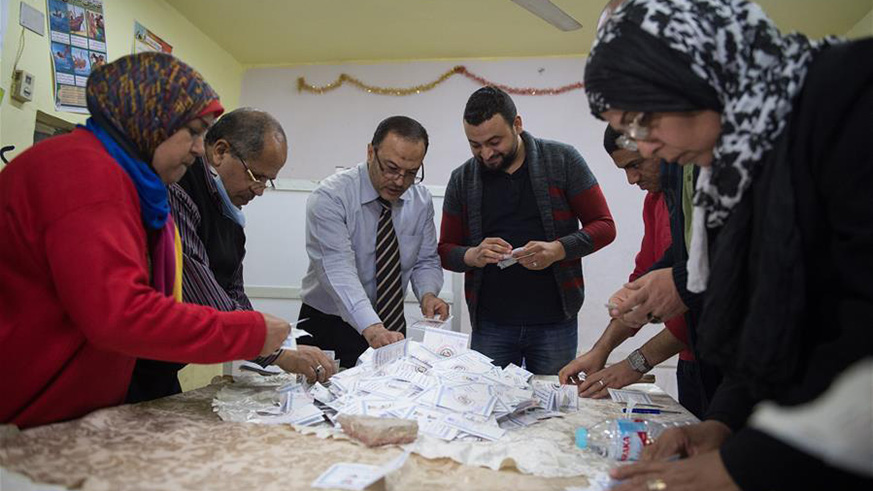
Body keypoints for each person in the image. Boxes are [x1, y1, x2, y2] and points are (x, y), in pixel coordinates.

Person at [584, 0, 873, 489]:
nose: (646, 146)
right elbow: (766, 323)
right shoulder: (731, 167)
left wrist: (747, 462)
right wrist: (721, 426)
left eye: (641, 119)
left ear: (693, 73)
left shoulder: (849, 96)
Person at [0, 53, 290, 429]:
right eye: (193, 131)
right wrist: (249, 333)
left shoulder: (134, 186)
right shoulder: (84, 172)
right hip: (24, 405)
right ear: (152, 119)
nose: (200, 149)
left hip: (69, 405)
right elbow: (120, 313)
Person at [126, 108, 336, 403]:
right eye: (257, 176)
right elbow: (200, 289)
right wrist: (277, 351)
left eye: (268, 181)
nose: (260, 190)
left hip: (163, 366)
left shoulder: (231, 216)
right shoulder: (179, 188)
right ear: (220, 151)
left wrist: (282, 342)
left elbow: (234, 294)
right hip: (128, 365)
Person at [439, 86, 616, 375]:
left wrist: (558, 250)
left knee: (553, 408)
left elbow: (605, 227)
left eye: (495, 141)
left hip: (555, 321)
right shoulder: (461, 179)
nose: (486, 153)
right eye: (475, 145)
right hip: (491, 324)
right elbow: (446, 251)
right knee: (488, 408)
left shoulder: (563, 160)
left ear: (517, 125)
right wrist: (473, 254)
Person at [560, 126, 707, 417]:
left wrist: (635, 363)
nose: (631, 179)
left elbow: (696, 293)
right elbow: (642, 284)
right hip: (691, 360)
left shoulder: (701, 193)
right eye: (624, 169)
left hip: (720, 347)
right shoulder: (656, 201)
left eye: (635, 165)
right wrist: (600, 350)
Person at [298, 116, 448, 368]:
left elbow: (425, 260)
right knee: (323, 400)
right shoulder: (331, 197)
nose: (400, 181)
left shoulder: (420, 201)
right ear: (371, 152)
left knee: (391, 397)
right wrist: (372, 327)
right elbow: (338, 269)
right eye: (391, 168)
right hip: (331, 321)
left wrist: (428, 294)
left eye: (411, 173)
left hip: (389, 323)